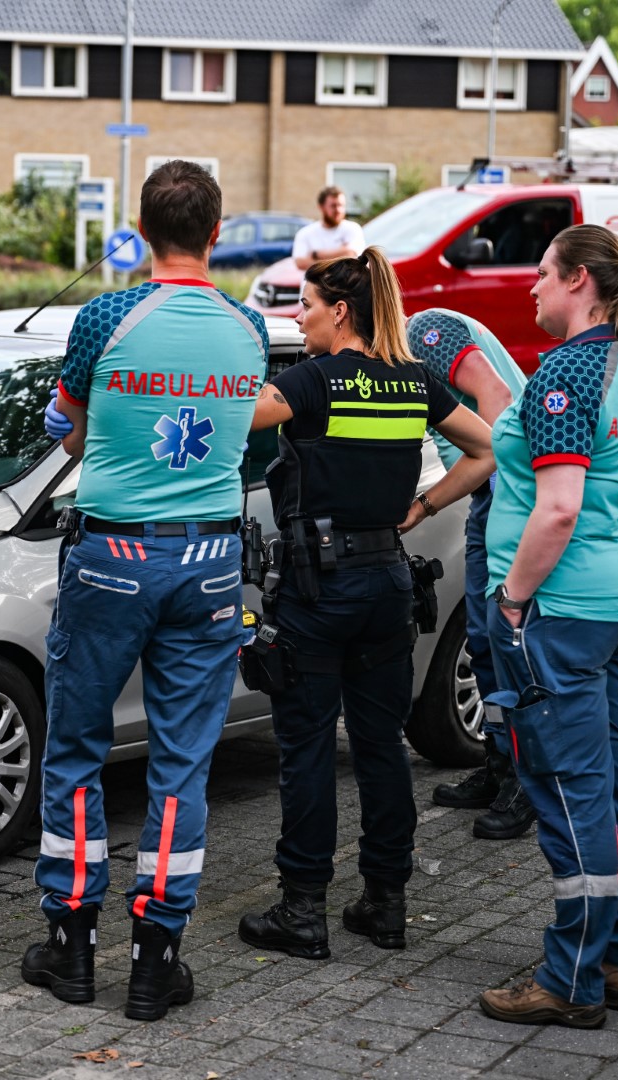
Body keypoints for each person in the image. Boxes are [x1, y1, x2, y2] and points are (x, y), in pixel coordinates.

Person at [23, 160, 268, 1022]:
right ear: (215, 232)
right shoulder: (247, 329)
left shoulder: (105, 316)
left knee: (77, 748)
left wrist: (77, 429)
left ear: (140, 228)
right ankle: (157, 960)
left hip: (109, 560)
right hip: (206, 563)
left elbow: (71, 433)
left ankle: (72, 945)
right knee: (182, 764)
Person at [234, 254, 495, 960]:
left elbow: (236, 414)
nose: (297, 316)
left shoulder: (314, 380)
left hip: (319, 592)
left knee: (309, 750)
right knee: (381, 747)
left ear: (341, 311)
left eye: (306, 305)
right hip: (386, 583)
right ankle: (386, 905)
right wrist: (421, 508)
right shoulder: (414, 383)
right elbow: (484, 449)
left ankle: (303, 911)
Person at [476, 224, 618, 1030]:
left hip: (560, 611)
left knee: (569, 791)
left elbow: (557, 507)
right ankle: (614, 958)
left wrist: (514, 602)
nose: (532, 287)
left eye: (543, 274)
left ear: (580, 283)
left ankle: (569, 979)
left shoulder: (566, 373)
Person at [413, 309, 537, 841]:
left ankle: (529, 783)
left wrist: (432, 502)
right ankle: (500, 763)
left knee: (512, 645)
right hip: (491, 493)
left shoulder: (425, 333)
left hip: (513, 491)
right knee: (485, 642)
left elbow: (497, 400)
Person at [291, 187, 365, 270]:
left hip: (343, 283)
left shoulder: (353, 228)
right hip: (313, 283)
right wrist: (341, 254)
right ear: (321, 207)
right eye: (333, 206)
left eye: (341, 205)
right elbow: (300, 263)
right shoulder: (305, 233)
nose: (338, 210)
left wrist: (316, 254)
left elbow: (351, 254)